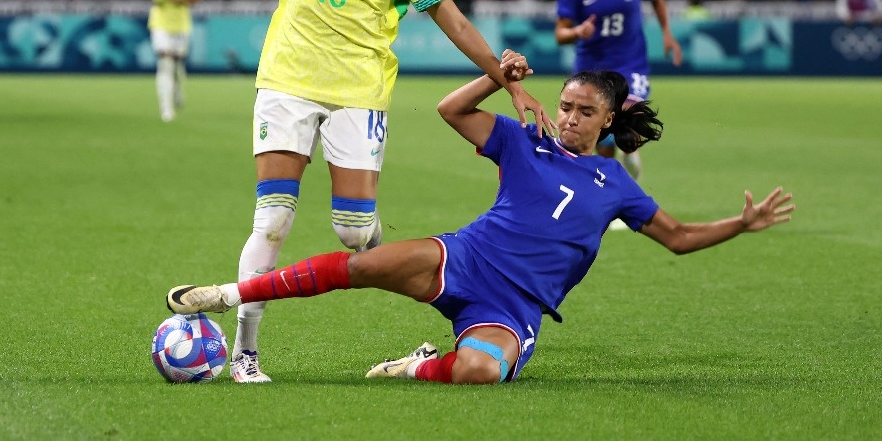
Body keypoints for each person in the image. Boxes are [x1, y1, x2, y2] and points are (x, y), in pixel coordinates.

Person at [139, 0, 550, 384]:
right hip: (286, 82)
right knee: (272, 220)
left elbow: (453, 22)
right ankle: (245, 352)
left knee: (353, 234)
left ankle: (379, 249)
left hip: (359, 93)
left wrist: (510, 83)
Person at [164, 52, 794, 385]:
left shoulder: (617, 187)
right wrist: (499, 76)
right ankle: (224, 294)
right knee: (360, 265)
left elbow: (679, 239)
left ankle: (415, 366)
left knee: (478, 371)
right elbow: (449, 109)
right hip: (462, 258)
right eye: (566, 104)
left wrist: (741, 223)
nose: (569, 117)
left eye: (583, 111)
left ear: (608, 121)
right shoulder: (526, 140)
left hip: (513, 307)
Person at [554, 0, 683, 185]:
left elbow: (657, 0)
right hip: (592, 68)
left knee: (627, 126)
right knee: (603, 143)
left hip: (630, 64)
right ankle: (609, 193)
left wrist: (667, 34)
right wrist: (577, 31)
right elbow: (560, 34)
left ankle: (630, 151)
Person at [142, 0, 202, 122]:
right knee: (165, 62)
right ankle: (166, 109)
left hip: (181, 23)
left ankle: (177, 90)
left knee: (176, 65)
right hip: (159, 21)